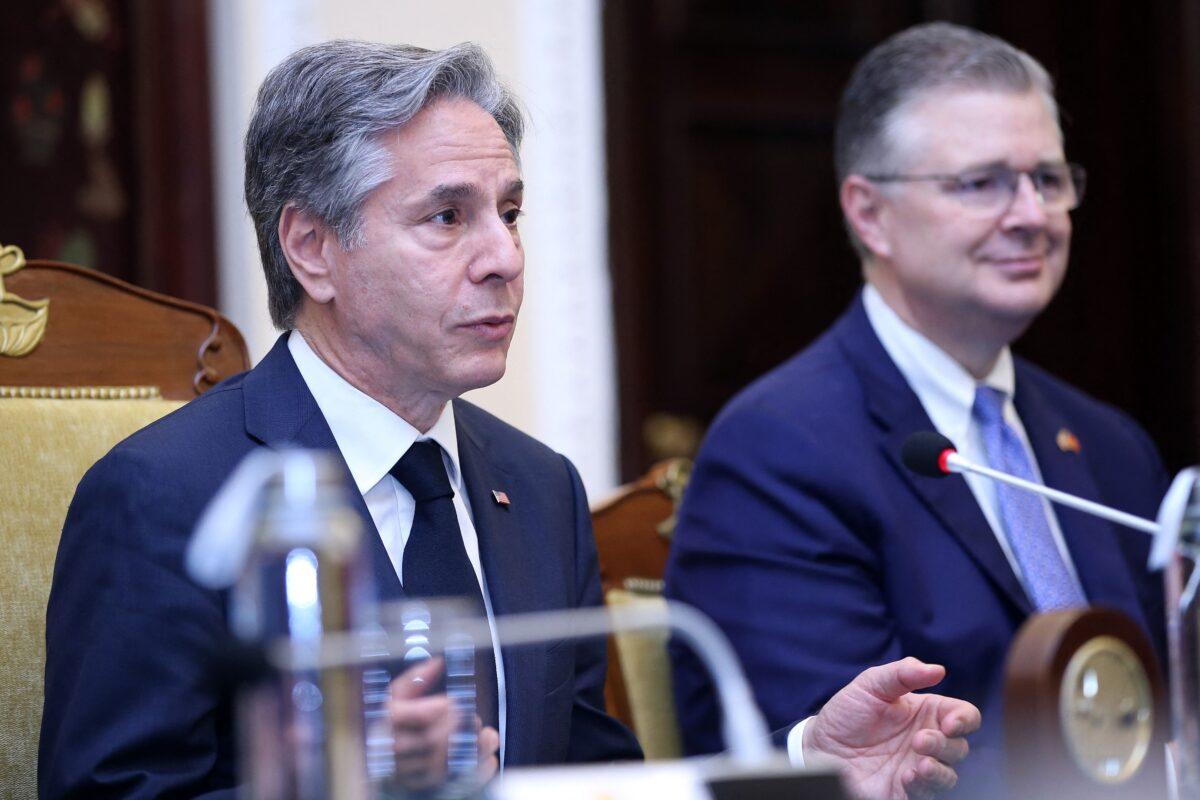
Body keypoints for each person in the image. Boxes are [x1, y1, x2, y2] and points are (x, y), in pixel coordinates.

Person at [39, 40, 978, 799]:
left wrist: (806, 765)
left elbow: (593, 787)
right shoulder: (167, 493)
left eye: (511, 211)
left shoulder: (536, 487)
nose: (504, 257)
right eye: (448, 217)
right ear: (313, 249)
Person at [665, 21, 1167, 799]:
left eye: (1048, 177)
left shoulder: (1111, 447)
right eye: (984, 183)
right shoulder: (777, 452)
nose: (1033, 213)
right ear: (869, 213)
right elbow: (843, 763)